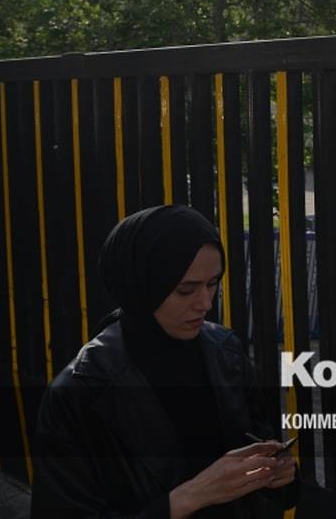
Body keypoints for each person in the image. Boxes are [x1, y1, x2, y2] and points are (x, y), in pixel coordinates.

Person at [32, 205, 298, 518]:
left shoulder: (226, 352)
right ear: (140, 286)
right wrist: (189, 497)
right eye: (185, 290)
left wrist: (277, 473)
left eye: (213, 283)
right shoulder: (79, 391)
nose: (205, 303)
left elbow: (258, 443)